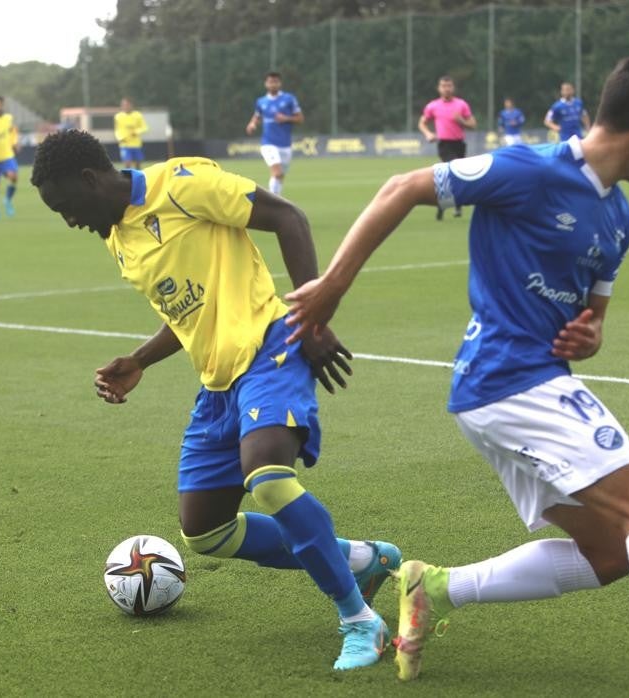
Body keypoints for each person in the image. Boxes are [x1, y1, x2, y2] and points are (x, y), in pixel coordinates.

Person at [282, 56, 629, 698]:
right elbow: (401, 187)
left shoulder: (618, 217)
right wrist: (332, 288)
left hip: (516, 387)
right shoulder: (530, 169)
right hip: (512, 381)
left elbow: (592, 323)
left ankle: (439, 588)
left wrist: (591, 335)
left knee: (613, 552)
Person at [30, 129, 401, 672]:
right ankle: (364, 559)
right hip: (217, 381)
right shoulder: (118, 238)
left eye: (66, 206)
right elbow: (187, 309)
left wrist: (312, 316)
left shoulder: (181, 185)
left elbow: (288, 218)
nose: (69, 221)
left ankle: (358, 620)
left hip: (271, 345)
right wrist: (140, 360)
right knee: (207, 531)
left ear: (90, 179)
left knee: (268, 477)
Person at [418, 75, 476, 220]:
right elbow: (422, 122)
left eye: (449, 86)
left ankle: (445, 207)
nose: (446, 89)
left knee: (454, 175)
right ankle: (452, 205)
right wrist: (428, 134)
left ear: (453, 87)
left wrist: (461, 120)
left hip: (459, 144)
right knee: (452, 169)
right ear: (439, 88)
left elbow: (473, 124)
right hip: (444, 144)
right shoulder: (433, 106)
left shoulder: (461, 104)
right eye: (443, 86)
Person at [245, 71, 302, 197]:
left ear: (280, 83)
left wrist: (286, 118)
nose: (273, 85)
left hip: (285, 145)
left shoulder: (289, 99)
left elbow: (300, 118)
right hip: (268, 143)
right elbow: (257, 116)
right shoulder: (261, 101)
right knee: (277, 173)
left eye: (275, 82)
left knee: (280, 176)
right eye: (270, 82)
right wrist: (252, 124)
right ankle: (273, 201)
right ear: (266, 84)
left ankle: (276, 199)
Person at [114, 97, 148, 169]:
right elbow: (117, 130)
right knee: (127, 163)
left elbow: (145, 128)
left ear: (131, 105)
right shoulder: (118, 116)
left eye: (127, 105)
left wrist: (136, 132)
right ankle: (128, 179)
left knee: (138, 165)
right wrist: (119, 137)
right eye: (123, 105)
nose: (125, 107)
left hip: (136, 144)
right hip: (124, 144)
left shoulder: (138, 115)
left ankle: (137, 178)